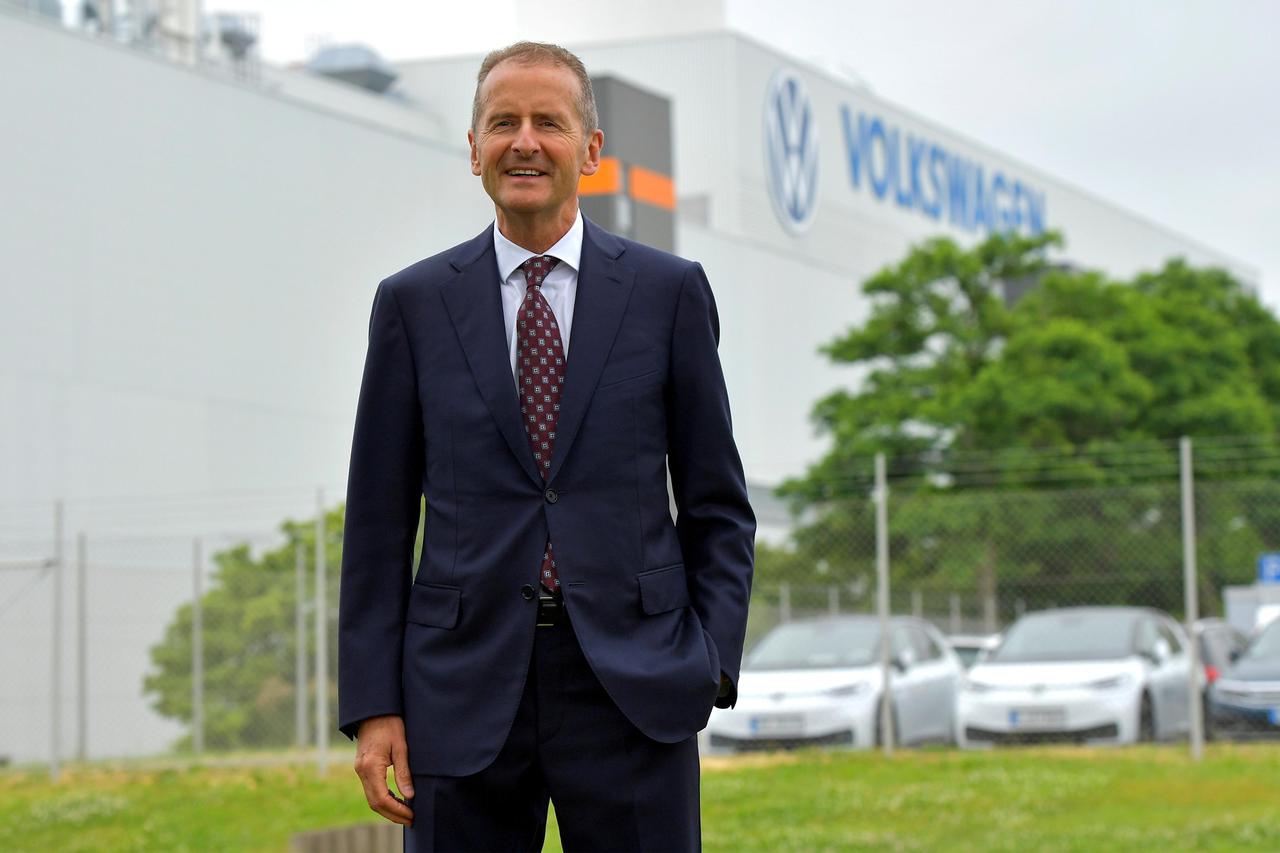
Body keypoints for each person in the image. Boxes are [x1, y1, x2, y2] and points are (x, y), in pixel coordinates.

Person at [337, 40, 755, 852]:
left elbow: (717, 504)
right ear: (473, 150)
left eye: (548, 123)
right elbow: (378, 523)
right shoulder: (412, 305)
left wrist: (709, 663)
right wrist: (374, 704)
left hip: (635, 684)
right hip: (458, 690)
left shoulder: (668, 294)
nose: (523, 141)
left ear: (590, 150)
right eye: (502, 122)